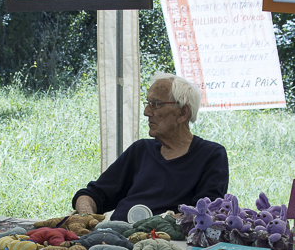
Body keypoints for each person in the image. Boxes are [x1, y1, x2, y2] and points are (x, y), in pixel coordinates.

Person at [73, 73, 228, 221]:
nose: (147, 112)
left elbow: (204, 214)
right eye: (148, 103)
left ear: (183, 112)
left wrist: (156, 225)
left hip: (164, 242)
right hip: (116, 235)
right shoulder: (140, 150)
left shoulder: (211, 155)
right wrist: (86, 215)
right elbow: (94, 194)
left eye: (156, 105)